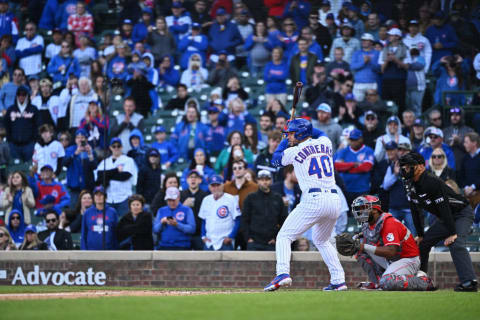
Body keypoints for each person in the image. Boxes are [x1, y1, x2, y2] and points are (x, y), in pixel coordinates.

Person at [265, 118, 346, 291]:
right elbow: (319, 132)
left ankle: (283, 273)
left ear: (301, 133)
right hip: (333, 200)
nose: (290, 136)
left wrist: (283, 142)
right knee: (322, 240)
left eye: (293, 133)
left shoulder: (295, 150)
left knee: (284, 236)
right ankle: (339, 280)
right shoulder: (326, 142)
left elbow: (276, 161)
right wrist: (296, 129)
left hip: (314, 199)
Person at [398, 152, 477, 292]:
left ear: (421, 167)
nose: (405, 170)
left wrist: (452, 233)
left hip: (461, 213)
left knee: (456, 243)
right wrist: (421, 235)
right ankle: (421, 281)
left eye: (409, 167)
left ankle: (469, 282)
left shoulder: (431, 181)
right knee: (423, 244)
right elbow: (415, 211)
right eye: (404, 167)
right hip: (446, 217)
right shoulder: (409, 184)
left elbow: (444, 207)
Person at [339, 195, 435, 291]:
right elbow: (367, 244)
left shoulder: (388, 222)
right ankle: (378, 283)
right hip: (392, 259)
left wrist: (363, 246)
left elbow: (391, 251)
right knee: (359, 251)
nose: (360, 211)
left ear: (375, 210)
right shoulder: (367, 225)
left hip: (408, 259)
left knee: (387, 281)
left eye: (364, 208)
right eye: (359, 209)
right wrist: (355, 240)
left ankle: (422, 281)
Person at [242, 170, 286, 251]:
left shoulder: (278, 198)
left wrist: (276, 238)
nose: (264, 182)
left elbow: (283, 220)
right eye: (262, 179)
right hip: (254, 242)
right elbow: (245, 220)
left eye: (267, 179)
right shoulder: (250, 198)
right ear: (257, 181)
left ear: (271, 181)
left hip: (271, 243)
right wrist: (248, 238)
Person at [95, 138, 137, 217]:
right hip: (109, 198)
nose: (116, 148)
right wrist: (116, 170)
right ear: (110, 148)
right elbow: (99, 177)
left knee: (123, 224)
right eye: (114, 146)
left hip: (124, 198)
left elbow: (124, 176)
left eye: (118, 146)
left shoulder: (128, 160)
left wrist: (107, 174)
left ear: (122, 147)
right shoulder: (105, 162)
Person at [198, 175, 241, 251]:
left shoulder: (231, 199)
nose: (216, 188)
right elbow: (204, 220)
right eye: (213, 186)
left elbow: (238, 219)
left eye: (218, 185)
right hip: (209, 242)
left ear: (223, 185)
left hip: (225, 242)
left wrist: (231, 237)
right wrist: (203, 236)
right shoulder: (206, 200)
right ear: (209, 187)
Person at [334, 128, 374, 207]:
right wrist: (353, 164)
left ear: (361, 139)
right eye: (351, 139)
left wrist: (345, 169)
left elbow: (366, 167)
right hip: (346, 189)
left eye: (355, 139)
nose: (353, 142)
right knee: (347, 216)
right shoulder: (344, 151)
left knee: (362, 216)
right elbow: (336, 166)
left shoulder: (368, 150)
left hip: (362, 189)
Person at [4, 86, 40, 161]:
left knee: (29, 167)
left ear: (27, 96)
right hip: (13, 145)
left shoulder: (33, 109)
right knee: (16, 169)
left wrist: (34, 140)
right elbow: (6, 125)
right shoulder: (11, 109)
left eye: (23, 94)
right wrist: (9, 140)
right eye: (19, 94)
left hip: (29, 145)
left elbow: (38, 125)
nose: (21, 96)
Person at [63, 128, 96, 205]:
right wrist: (75, 153)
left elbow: (94, 166)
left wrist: (90, 154)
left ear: (86, 139)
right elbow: (65, 163)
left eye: (82, 138)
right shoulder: (70, 150)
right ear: (75, 140)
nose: (80, 140)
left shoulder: (90, 150)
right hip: (74, 187)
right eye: (78, 137)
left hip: (87, 187)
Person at [81, 186, 118, 250]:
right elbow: (84, 233)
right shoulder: (87, 212)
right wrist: (84, 250)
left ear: (105, 197)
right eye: (96, 195)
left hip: (109, 250)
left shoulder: (112, 212)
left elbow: (115, 233)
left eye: (101, 195)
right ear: (94, 197)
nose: (99, 197)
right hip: (91, 251)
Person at [350, 33, 379, 102]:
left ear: (371, 42)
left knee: (373, 105)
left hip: (372, 83)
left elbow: (379, 69)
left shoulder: (377, 53)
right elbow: (352, 66)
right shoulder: (357, 53)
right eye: (362, 40)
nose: (363, 42)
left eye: (366, 40)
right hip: (358, 83)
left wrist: (370, 62)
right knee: (357, 105)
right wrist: (364, 62)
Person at [460, 133, 480, 211]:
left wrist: (473, 187)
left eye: (466, 142)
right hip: (467, 195)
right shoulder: (465, 158)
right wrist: (466, 188)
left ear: (474, 143)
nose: (464, 144)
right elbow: (461, 176)